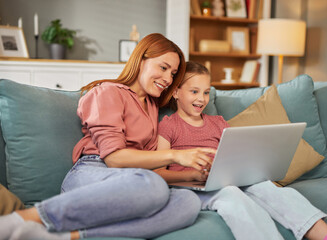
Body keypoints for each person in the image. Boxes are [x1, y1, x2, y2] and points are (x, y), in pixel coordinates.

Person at [0, 34, 216, 240]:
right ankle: (21, 220)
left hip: (134, 181)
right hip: (94, 172)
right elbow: (114, 158)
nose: (168, 78)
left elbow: (150, 169)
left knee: (188, 202)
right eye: (163, 68)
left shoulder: (151, 105)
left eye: (173, 73)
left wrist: (192, 175)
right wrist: (176, 156)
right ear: (141, 60)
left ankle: (65, 236)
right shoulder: (108, 92)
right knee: (152, 184)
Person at [155, 61, 327, 240]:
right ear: (176, 92)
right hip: (193, 189)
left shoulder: (217, 122)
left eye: (205, 92)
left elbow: (235, 154)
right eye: (194, 91)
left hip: (225, 179)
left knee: (268, 188)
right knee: (232, 195)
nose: (201, 98)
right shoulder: (169, 126)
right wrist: (192, 176)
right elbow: (159, 172)